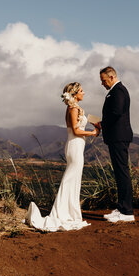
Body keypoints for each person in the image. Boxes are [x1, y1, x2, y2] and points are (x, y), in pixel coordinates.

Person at [26, 82, 98, 231]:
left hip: (78, 145)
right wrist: (92, 133)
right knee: (70, 178)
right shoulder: (72, 109)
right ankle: (62, 212)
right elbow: (76, 131)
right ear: (74, 93)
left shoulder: (75, 108)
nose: (84, 93)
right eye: (82, 91)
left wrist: (96, 126)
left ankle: (70, 212)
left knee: (74, 179)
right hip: (75, 145)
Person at [95, 66, 134, 223]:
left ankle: (127, 212)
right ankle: (122, 208)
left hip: (119, 137)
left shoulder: (118, 91)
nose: (102, 84)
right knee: (119, 173)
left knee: (122, 172)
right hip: (117, 137)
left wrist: (102, 123)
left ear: (111, 77)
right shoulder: (117, 90)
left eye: (103, 80)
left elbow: (116, 112)